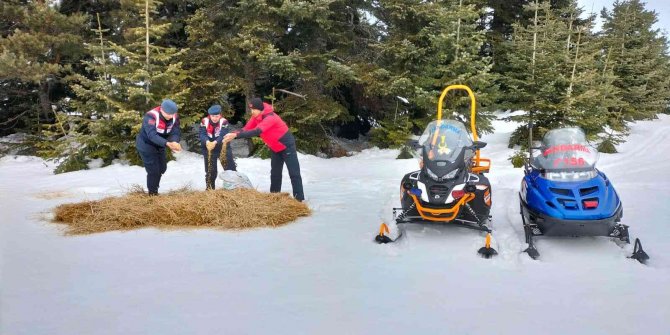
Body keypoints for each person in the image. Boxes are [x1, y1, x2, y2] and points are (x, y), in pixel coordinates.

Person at [223, 97, 305, 201]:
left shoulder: (270, 117)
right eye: (251, 109)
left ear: (260, 109)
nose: (252, 112)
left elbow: (257, 131)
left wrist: (236, 136)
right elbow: (245, 129)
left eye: (254, 109)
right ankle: (274, 196)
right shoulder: (255, 117)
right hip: (275, 146)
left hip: (286, 145)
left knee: (294, 172)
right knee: (275, 173)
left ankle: (299, 199)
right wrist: (234, 133)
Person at [135, 99, 182, 195]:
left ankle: (155, 186)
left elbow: (175, 131)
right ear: (161, 109)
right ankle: (153, 194)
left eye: (172, 114)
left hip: (160, 144)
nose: (170, 116)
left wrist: (174, 141)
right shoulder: (151, 116)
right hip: (146, 145)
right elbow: (151, 135)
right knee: (154, 171)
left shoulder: (174, 116)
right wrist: (167, 144)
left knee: (162, 169)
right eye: (168, 114)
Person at [199, 104, 236, 190]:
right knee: (210, 171)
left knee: (230, 168)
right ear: (209, 115)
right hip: (208, 148)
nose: (215, 118)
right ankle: (210, 190)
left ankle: (232, 189)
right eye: (213, 116)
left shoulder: (224, 122)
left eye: (217, 116)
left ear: (220, 115)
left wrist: (215, 142)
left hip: (222, 147)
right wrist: (207, 142)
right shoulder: (204, 121)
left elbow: (223, 134)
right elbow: (202, 134)